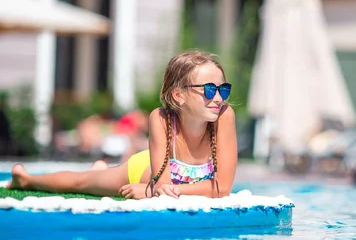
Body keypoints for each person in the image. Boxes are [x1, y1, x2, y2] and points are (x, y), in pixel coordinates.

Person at [8, 50, 238, 199]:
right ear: (178, 95)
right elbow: (165, 186)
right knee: (82, 183)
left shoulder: (224, 117)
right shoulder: (161, 119)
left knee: (94, 179)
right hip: (142, 170)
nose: (218, 97)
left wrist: (150, 192)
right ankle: (27, 179)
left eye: (223, 89)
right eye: (209, 89)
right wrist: (153, 188)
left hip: (151, 185)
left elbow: (222, 188)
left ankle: (100, 170)